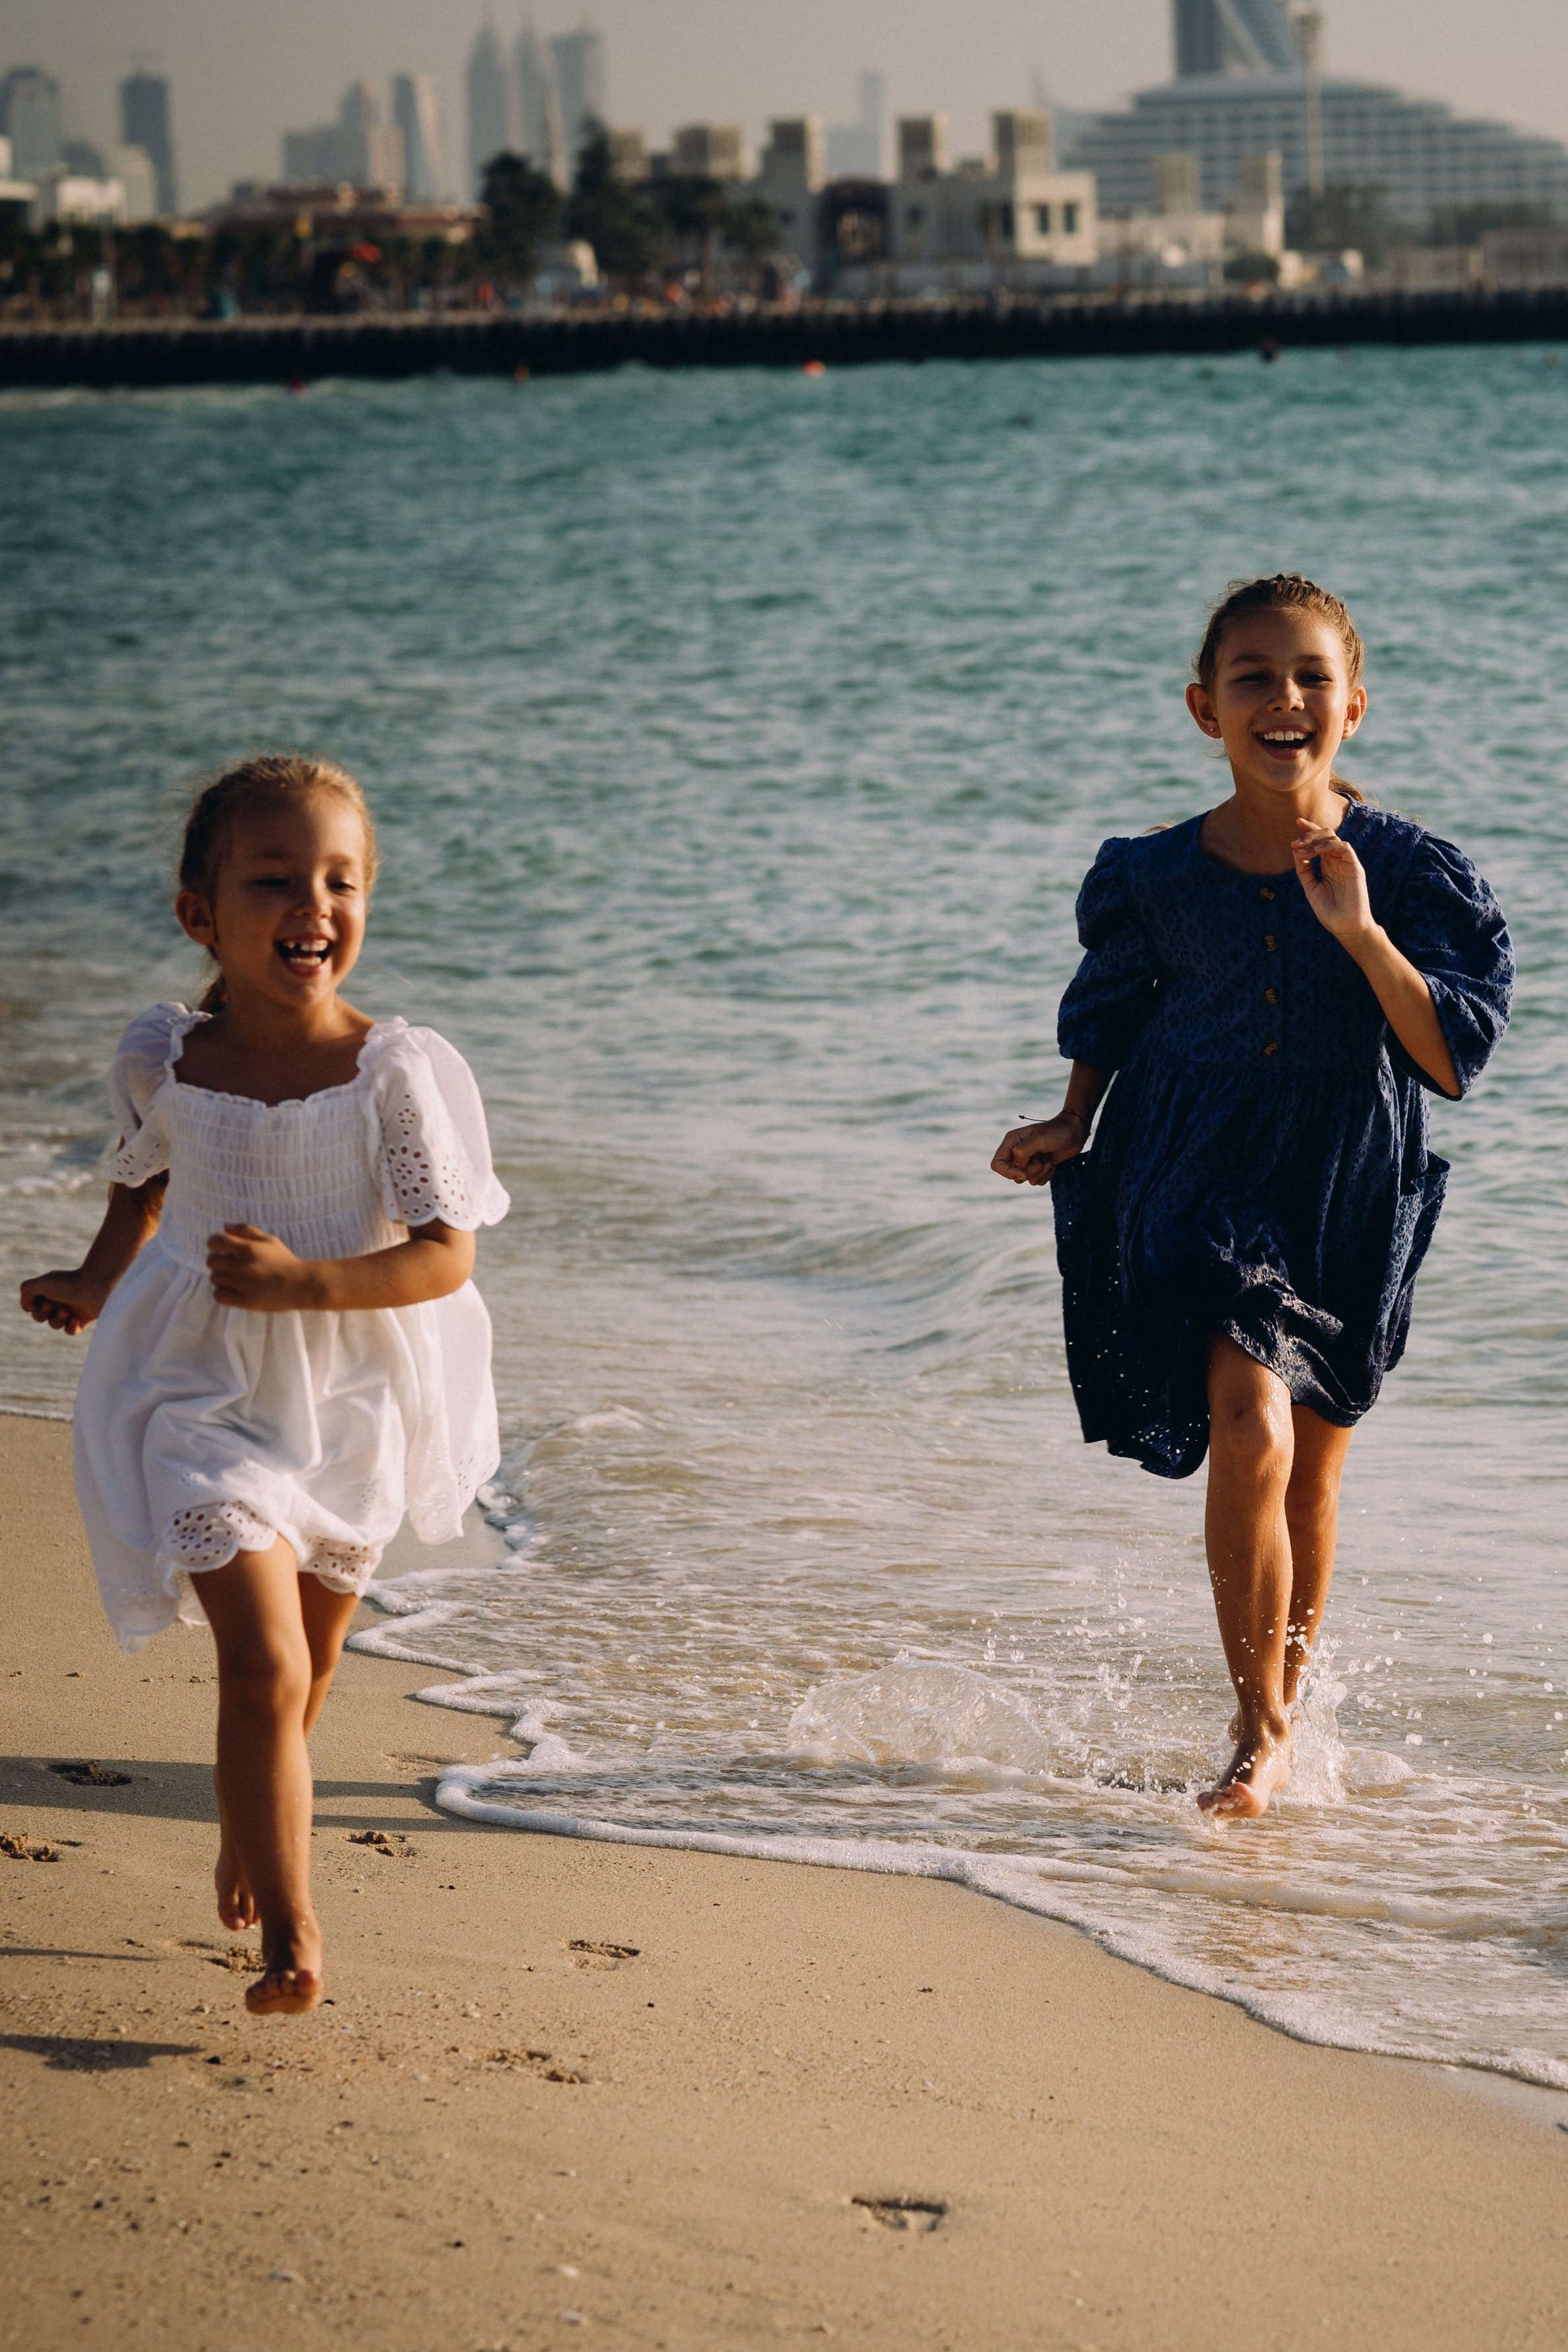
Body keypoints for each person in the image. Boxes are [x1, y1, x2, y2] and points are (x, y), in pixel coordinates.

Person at [990, 576, 1511, 1820]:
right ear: (1202, 709)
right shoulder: (1153, 873)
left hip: (1346, 1181)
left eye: (1309, 677)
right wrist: (1071, 1120)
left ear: (1353, 706)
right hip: (1196, 1166)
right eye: (1252, 679)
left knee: (1314, 1466)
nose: (1283, 699)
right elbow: (1110, 1007)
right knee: (1249, 1420)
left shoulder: (1415, 872)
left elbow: (1450, 1061)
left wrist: (1362, 933)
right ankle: (1258, 1727)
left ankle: (1289, 1705)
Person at [20, 755, 509, 2009]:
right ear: (204, 914)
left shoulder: (392, 1072)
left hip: (351, 1393)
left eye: (341, 880)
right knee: (263, 1662)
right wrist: (92, 1277)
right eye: (276, 878)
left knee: (318, 1662)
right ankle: (295, 1935)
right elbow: (147, 1179)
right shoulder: (168, 1057)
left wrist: (306, 1285)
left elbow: (444, 1254)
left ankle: (255, 1815)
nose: (315, 903)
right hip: (192, 1384)